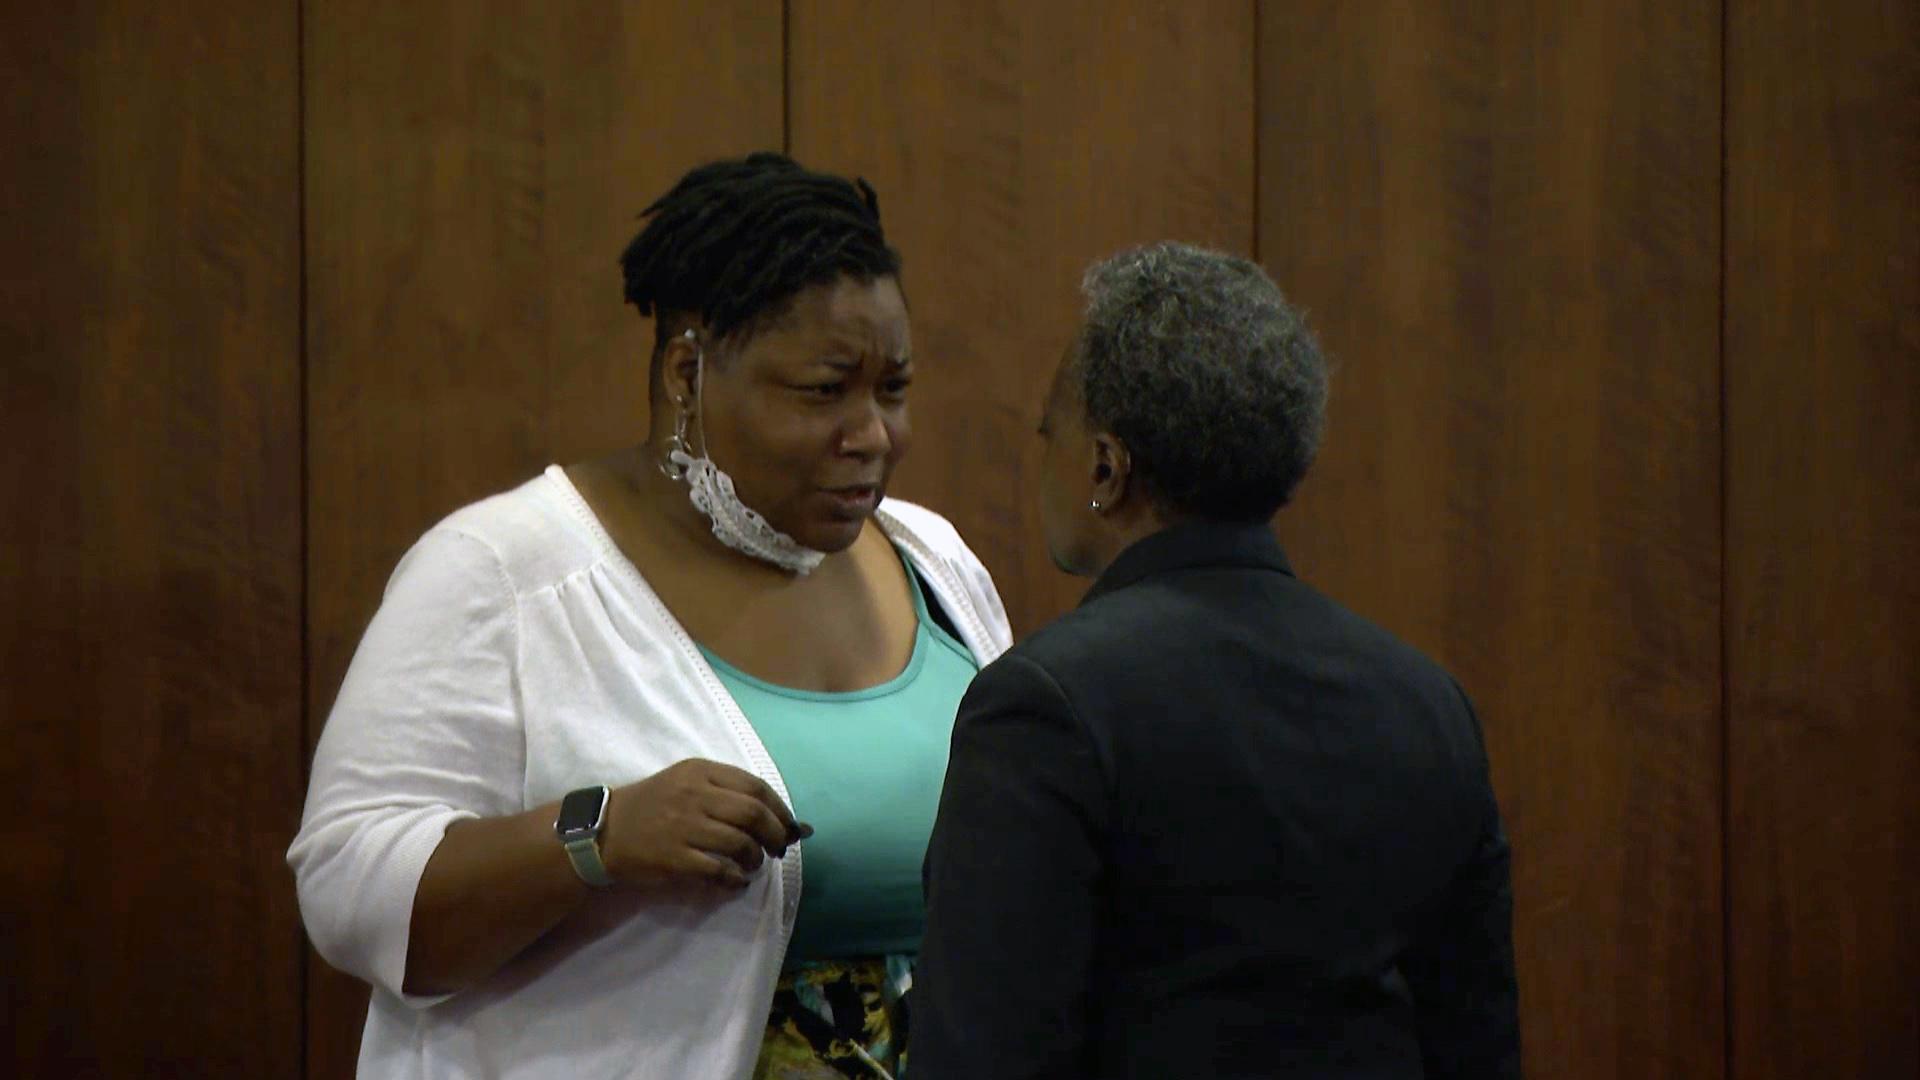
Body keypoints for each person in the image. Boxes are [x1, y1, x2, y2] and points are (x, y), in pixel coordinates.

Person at [288, 153, 1011, 1080]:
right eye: (825, 391)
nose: (872, 433)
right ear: (686, 372)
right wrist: (598, 839)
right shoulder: (503, 573)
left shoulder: (933, 560)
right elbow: (347, 887)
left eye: (893, 391)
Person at [913, 242, 1521, 1079]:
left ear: (1104, 466)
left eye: (1049, 432)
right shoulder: (1428, 703)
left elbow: (984, 1055)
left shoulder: (1045, 707)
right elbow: (1476, 1043)